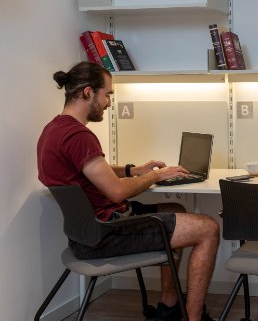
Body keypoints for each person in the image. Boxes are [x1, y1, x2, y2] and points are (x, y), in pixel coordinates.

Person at [37, 61, 220, 321]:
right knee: (208, 228)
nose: (109, 102)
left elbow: (92, 170)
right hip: (107, 234)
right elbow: (117, 193)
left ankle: (168, 307)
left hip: (87, 233)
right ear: (88, 93)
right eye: (107, 94)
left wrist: (133, 170)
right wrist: (156, 175)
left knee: (175, 209)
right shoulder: (78, 136)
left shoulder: (54, 129)